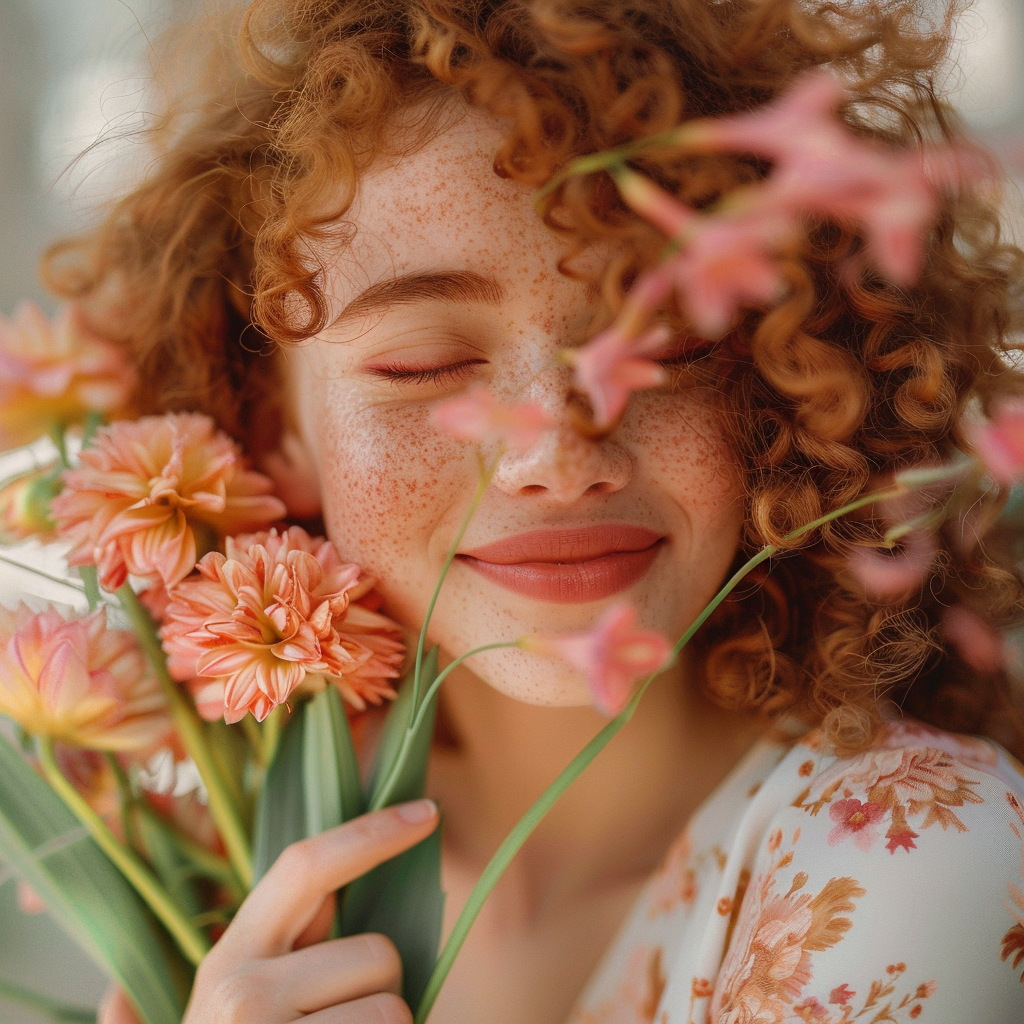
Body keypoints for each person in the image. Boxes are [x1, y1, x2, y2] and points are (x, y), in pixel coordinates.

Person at [42, 0, 1024, 1021]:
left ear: (784, 382)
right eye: (424, 365)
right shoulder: (214, 866)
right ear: (268, 419)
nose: (555, 455)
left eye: (667, 345)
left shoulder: (912, 848)